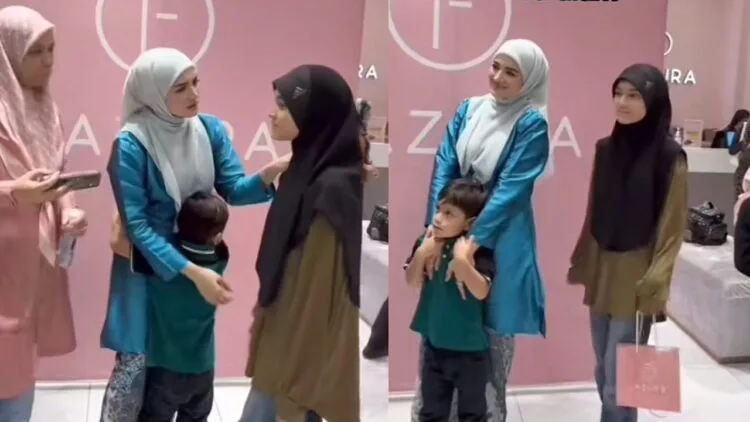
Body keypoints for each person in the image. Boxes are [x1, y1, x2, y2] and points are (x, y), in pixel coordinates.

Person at [100, 47, 288, 422]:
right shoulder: (131, 145)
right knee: (137, 371)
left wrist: (271, 172)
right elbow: (137, 227)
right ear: (153, 92)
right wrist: (192, 272)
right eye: (181, 87)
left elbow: (234, 189)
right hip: (148, 271)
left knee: (186, 369)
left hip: (195, 270)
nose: (194, 94)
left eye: (196, 82)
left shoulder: (209, 130)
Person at [410, 39, 550, 422]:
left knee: (489, 348)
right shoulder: (469, 109)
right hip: (452, 232)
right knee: (442, 337)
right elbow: (444, 165)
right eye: (495, 66)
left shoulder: (532, 123)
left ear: (529, 80)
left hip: (501, 239)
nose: (498, 77)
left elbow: (511, 189)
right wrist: (434, 233)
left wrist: (471, 244)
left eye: (511, 72)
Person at [239, 64, 363, 422]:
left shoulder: (331, 188)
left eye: (284, 105)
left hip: (295, 350)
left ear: (314, 115)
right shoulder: (304, 169)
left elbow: (317, 297)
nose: (273, 113)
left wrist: (295, 378)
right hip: (282, 327)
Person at [567, 63, 687, 422]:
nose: (622, 102)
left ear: (654, 100)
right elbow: (594, 210)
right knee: (604, 370)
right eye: (618, 93)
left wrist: (657, 280)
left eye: (633, 95)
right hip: (603, 269)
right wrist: (584, 260)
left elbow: (672, 225)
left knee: (619, 377)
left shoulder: (669, 156)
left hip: (637, 274)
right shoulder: (605, 149)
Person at [0, 6, 88, 420]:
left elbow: (55, 177)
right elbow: (24, 187)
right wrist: (13, 192)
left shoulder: (45, 109)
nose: (48, 60)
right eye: (35, 51)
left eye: (52, 49)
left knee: (20, 371)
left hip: (31, 267)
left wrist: (68, 210)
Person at [406, 179, 493, 422]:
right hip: (434, 347)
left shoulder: (477, 249)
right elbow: (412, 280)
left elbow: (482, 291)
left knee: (473, 414)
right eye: (439, 209)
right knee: (431, 411)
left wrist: (462, 262)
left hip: (471, 352)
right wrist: (422, 252)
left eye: (449, 214)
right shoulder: (426, 242)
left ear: (469, 223)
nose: (438, 218)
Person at [138, 191, 230, 421]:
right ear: (218, 237)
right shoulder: (220, 261)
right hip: (203, 368)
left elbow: (148, 243)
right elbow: (218, 244)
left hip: (164, 367)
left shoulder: (162, 266)